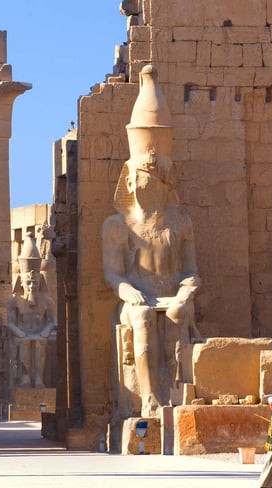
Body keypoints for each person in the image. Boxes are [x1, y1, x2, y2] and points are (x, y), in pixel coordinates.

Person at [102, 65, 200, 418]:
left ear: (166, 181)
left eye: (153, 177)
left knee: (176, 314)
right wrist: (127, 290)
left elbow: (190, 271)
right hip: (138, 295)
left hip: (171, 293)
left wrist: (186, 292)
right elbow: (113, 276)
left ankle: (175, 395)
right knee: (142, 318)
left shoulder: (180, 221)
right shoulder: (118, 225)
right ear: (128, 181)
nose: (144, 184)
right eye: (140, 177)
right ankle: (149, 398)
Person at [6, 232, 57, 388]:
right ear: (21, 282)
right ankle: (25, 377)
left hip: (40, 334)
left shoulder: (47, 301)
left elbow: (53, 321)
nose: (32, 285)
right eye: (29, 282)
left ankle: (39, 378)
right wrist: (20, 333)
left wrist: (45, 331)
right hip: (21, 334)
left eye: (35, 282)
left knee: (40, 343)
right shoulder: (14, 301)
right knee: (24, 343)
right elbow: (10, 323)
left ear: (40, 280)